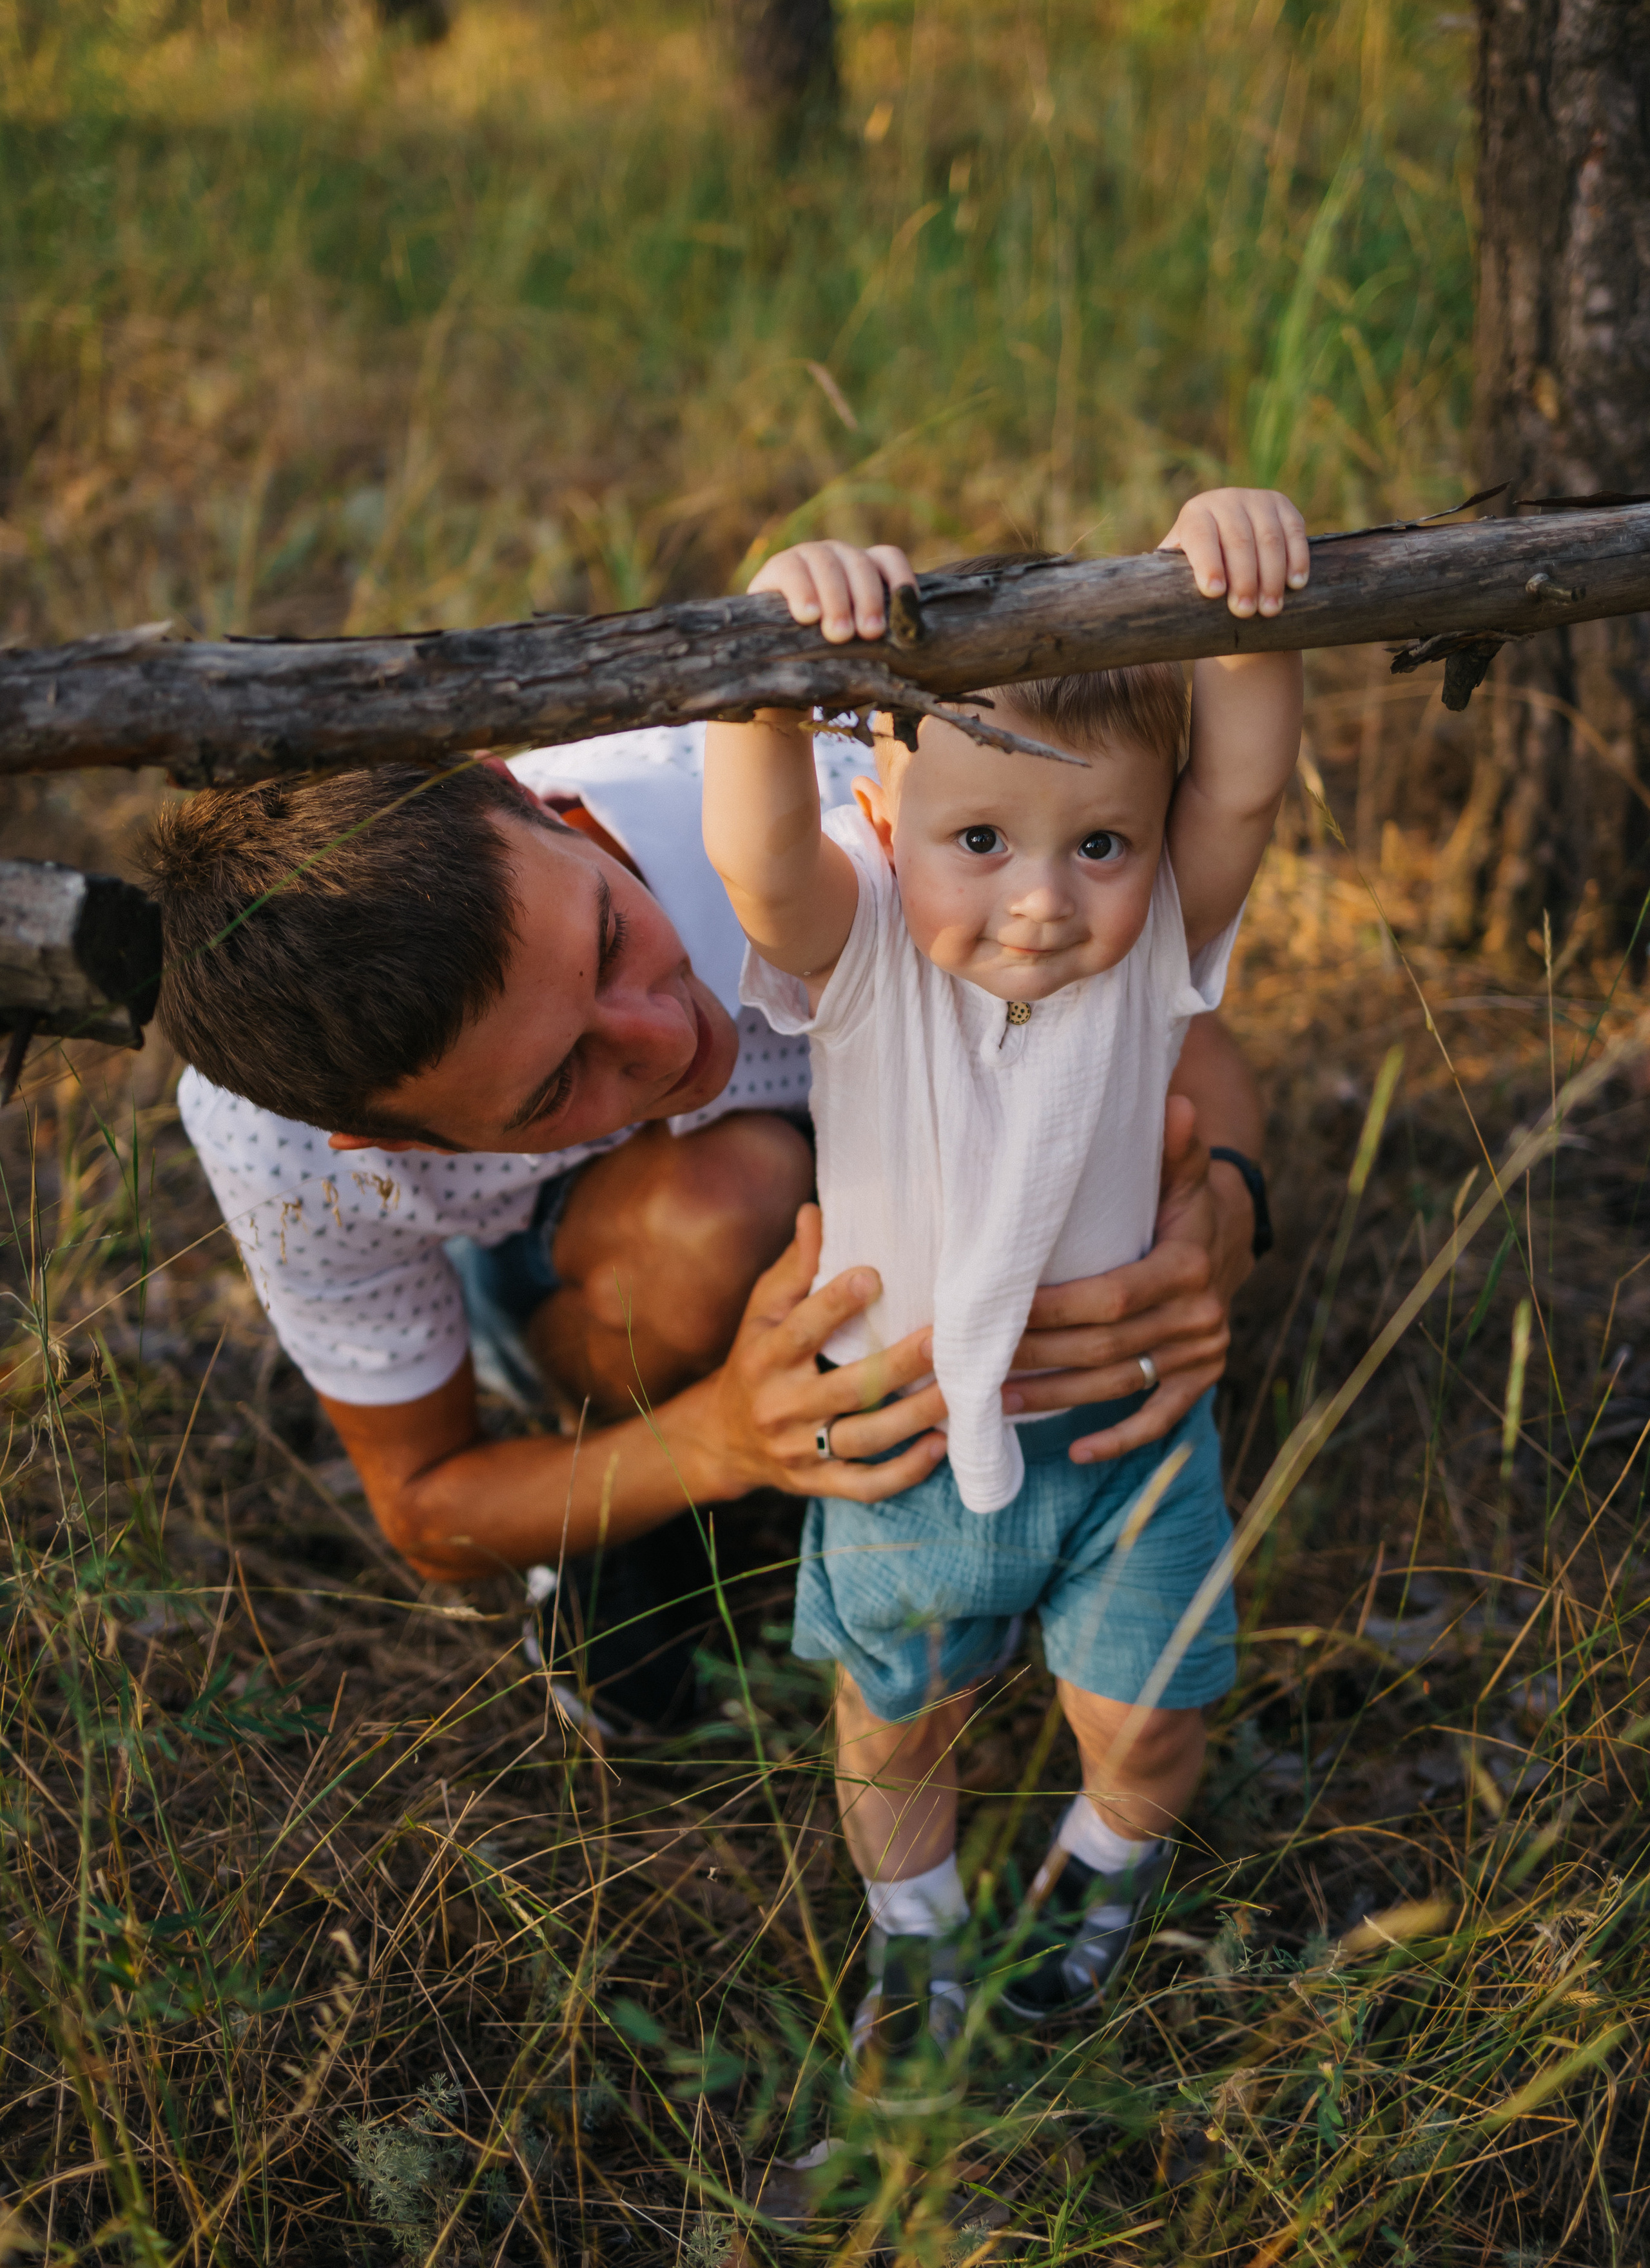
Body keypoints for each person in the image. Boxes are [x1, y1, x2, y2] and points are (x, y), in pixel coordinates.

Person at [144, 519, 1273, 1728]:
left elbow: (1171, 1024)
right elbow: (425, 1505)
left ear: (516, 784)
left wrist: (1226, 1217)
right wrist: (715, 1442)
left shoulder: (842, 791)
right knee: (726, 1201)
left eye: (610, 938)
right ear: (392, 1142)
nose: (667, 1039)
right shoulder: (288, 1141)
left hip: (921, 1224)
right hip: (601, 1279)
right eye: (554, 1084)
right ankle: (650, 1503)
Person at [702, 487, 1305, 2097]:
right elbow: (754, 853)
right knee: (895, 1727)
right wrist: (773, 655)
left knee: (1147, 1724)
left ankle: (1094, 1881)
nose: (1043, 898)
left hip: (1117, 1442)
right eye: (983, 841)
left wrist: (1237, 599)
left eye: (1097, 842)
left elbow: (1239, 792)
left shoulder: (1148, 947)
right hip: (902, 1431)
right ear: (888, 826)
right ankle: (918, 1928)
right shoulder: (869, 947)